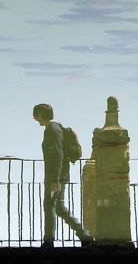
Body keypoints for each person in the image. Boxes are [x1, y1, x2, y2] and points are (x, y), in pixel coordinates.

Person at [33, 103, 93, 248]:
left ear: (41, 114)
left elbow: (57, 155)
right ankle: (85, 236)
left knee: (49, 206)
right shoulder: (55, 128)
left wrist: (54, 180)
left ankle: (48, 241)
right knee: (58, 207)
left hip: (56, 177)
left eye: (36, 114)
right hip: (60, 175)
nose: (34, 118)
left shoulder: (52, 130)